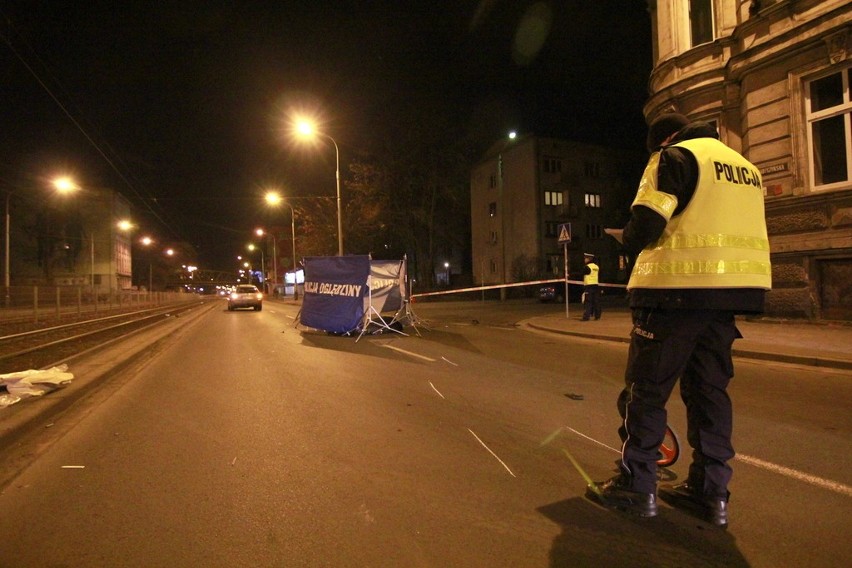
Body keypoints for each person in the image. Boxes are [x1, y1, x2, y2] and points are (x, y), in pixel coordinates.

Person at [587, 113, 772, 528]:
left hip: (675, 292)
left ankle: (637, 487)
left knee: (647, 391)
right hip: (731, 294)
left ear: (663, 139)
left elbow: (646, 227)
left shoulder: (673, 157)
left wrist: (628, 237)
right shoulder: (745, 167)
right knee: (709, 392)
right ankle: (711, 494)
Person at [581, 253, 601, 321]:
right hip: (595, 285)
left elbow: (582, 273)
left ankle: (586, 316)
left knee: (588, 301)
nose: (584, 260)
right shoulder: (596, 267)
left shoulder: (587, 267)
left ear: (589, 259)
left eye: (585, 258)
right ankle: (597, 316)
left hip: (588, 286)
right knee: (596, 301)